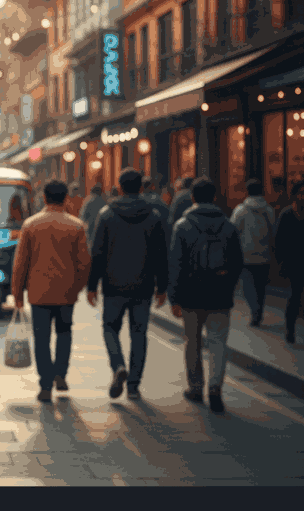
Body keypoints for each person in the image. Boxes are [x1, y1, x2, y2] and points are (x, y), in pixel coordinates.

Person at [87, 167, 169, 400]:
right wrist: (162, 287)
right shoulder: (153, 216)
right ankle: (133, 386)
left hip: (113, 285)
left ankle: (118, 366)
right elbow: (160, 255)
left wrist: (92, 285)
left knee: (110, 328)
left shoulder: (106, 214)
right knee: (139, 334)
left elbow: (98, 253)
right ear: (141, 187)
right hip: (143, 286)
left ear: (120, 187)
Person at [168, 176, 245, 412]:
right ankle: (215, 388)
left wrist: (174, 297)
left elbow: (175, 265)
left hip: (191, 295)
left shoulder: (182, 226)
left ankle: (195, 387)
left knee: (193, 342)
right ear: (214, 197)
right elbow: (237, 263)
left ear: (192, 198)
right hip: (220, 295)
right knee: (218, 342)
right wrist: (228, 287)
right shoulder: (228, 226)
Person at [10, 179, 91, 402]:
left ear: (44, 198)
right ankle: (61, 374)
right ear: (66, 199)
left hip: (38, 293)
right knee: (64, 334)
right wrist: (78, 287)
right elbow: (84, 263)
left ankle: (45, 384)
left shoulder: (31, 225)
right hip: (66, 293)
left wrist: (17, 294)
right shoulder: (76, 226)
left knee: (42, 338)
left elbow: (20, 264)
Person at [230, 178, 276, 328]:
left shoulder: (241, 210)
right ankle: (259, 312)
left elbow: (233, 230)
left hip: (246, 254)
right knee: (261, 286)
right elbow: (273, 231)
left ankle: (254, 311)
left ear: (247, 191)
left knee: (248, 286)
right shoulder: (268, 209)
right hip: (265, 254)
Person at [274, 179, 304, 345]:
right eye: (300, 193)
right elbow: (279, 240)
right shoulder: (287, 213)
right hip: (294, 262)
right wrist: (281, 262)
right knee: (295, 296)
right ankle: (290, 329)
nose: (303, 196)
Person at [143, 177, 172, 250]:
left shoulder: (140, 199)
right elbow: (166, 214)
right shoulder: (156, 198)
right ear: (151, 186)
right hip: (156, 234)